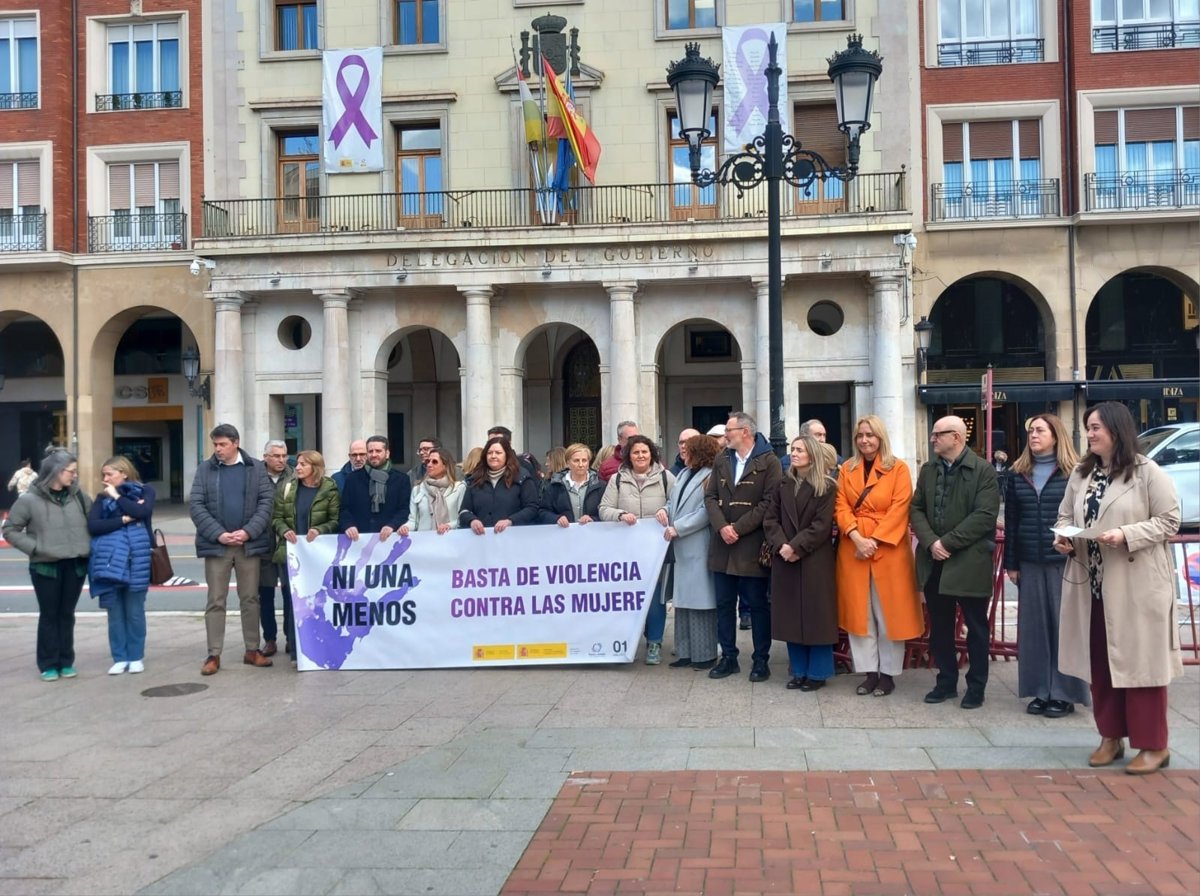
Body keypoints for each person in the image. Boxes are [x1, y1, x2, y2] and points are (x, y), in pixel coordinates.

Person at [1054, 402, 1182, 775]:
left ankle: (1154, 745)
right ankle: (1110, 736)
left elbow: (1169, 521)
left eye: (1096, 427)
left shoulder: (1147, 472)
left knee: (1142, 667)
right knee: (1101, 664)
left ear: (1116, 429)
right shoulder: (1082, 473)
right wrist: (1063, 537)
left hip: (1137, 586)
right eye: (1088, 427)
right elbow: (1065, 515)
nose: (1089, 434)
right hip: (1093, 586)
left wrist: (1125, 534)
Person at [911, 415, 1001, 710]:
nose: (933, 439)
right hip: (934, 561)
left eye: (938, 434)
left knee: (976, 627)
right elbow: (916, 508)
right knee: (940, 626)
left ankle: (976, 687)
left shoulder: (983, 471)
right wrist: (930, 542)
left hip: (970, 562)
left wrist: (946, 543)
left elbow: (984, 516)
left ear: (957, 438)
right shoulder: (929, 469)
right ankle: (946, 682)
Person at [1004, 414, 1088, 718]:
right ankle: (1040, 690)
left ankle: (1064, 694)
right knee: (1034, 631)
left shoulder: (1075, 472)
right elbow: (1012, 521)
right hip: (1029, 561)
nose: (1033, 435)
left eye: (1040, 430)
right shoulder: (1017, 474)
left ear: (1056, 435)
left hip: (1064, 562)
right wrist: (1011, 563)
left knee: (1064, 629)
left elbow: (1083, 516)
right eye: (1030, 431)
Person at [834, 415, 923, 697]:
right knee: (859, 612)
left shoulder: (898, 468)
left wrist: (873, 540)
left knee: (888, 613)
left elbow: (900, 508)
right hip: (854, 547)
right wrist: (856, 537)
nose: (865, 440)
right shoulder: (847, 469)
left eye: (870, 435)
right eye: (860, 435)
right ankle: (869, 672)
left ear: (881, 437)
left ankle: (888, 674)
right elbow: (840, 506)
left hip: (888, 548)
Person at [189, 424, 276, 676]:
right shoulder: (205, 470)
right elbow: (196, 505)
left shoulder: (256, 468)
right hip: (218, 546)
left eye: (222, 444)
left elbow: (266, 503)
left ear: (235, 443)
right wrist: (219, 534)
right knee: (216, 600)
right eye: (215, 444)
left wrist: (248, 531)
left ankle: (252, 650)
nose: (218, 449)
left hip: (248, 545)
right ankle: (213, 654)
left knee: (250, 599)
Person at [704, 412, 782, 682]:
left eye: (729, 430)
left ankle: (761, 660)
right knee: (724, 604)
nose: (725, 435)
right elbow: (710, 496)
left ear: (745, 432)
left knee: (758, 605)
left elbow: (770, 502)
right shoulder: (722, 458)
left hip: (751, 544)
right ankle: (728, 657)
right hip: (722, 545)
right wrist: (721, 527)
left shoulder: (769, 461)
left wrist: (737, 528)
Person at [3, 451, 91, 681]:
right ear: (56, 471)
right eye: (71, 471)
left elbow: (94, 521)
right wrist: (36, 548)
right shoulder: (29, 500)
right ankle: (49, 663)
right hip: (45, 566)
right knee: (49, 615)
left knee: (67, 614)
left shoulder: (79, 496)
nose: (74, 475)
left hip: (75, 564)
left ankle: (66, 661)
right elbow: (10, 529)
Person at [765, 435, 838, 692]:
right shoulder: (782, 484)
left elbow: (821, 525)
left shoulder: (826, 486)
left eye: (800, 450)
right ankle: (798, 671)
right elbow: (770, 519)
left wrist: (796, 547)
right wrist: (783, 546)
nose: (794, 454)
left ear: (812, 455)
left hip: (814, 559)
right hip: (785, 557)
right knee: (790, 616)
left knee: (817, 617)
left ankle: (818, 673)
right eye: (793, 449)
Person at [599, 435, 675, 664]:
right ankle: (628, 640)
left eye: (644, 452)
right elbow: (604, 508)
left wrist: (665, 510)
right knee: (629, 596)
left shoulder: (665, 477)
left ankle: (654, 642)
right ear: (628, 456)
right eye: (636, 452)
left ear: (652, 454)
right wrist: (620, 515)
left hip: (656, 550)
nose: (641, 456)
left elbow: (677, 503)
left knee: (655, 597)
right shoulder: (617, 480)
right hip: (626, 551)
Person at [86, 456, 155, 675]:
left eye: (109, 474)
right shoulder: (100, 498)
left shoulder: (145, 491)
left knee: (135, 612)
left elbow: (142, 513)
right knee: (114, 613)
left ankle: (135, 656)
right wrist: (123, 520)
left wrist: (117, 497)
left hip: (137, 560)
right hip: (109, 563)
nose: (105, 479)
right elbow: (94, 526)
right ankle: (119, 657)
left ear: (124, 473)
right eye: (103, 475)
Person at [271, 450, 341, 660]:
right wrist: (284, 530)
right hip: (291, 554)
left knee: (318, 600)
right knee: (294, 601)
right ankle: (296, 651)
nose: (298, 467)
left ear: (315, 467)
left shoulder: (329, 489)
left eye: (303, 464)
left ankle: (321, 646)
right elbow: (276, 518)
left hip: (317, 555)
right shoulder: (288, 488)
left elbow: (335, 520)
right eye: (298, 464)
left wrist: (320, 530)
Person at [663, 433, 721, 669]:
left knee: (700, 602)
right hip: (680, 545)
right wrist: (664, 510)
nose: (684, 451)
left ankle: (705, 655)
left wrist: (679, 527)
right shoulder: (684, 474)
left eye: (689, 448)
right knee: (683, 602)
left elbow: (706, 512)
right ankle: (685, 652)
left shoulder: (711, 476)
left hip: (697, 543)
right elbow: (672, 501)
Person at [258, 440, 295, 658]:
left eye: (284, 456)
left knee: (289, 593)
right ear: (266, 457)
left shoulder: (294, 476)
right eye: (276, 456)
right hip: (263, 542)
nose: (282, 460)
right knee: (265, 594)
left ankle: (291, 638)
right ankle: (270, 639)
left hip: (286, 543)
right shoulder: (255, 476)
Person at [459, 437, 540, 533]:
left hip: (514, 536)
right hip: (481, 538)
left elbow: (532, 507)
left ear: (507, 455)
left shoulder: (522, 477)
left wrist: (510, 521)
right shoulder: (475, 479)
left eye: (498, 453)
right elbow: (464, 510)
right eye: (489, 453)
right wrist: (472, 520)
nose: (493, 456)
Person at [340, 435, 411, 541]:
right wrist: (348, 525)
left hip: (390, 538)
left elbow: (404, 509)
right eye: (370, 451)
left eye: (378, 451)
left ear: (387, 453)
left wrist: (392, 525)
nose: (374, 455)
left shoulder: (401, 479)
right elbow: (344, 509)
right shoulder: (352, 479)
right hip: (359, 539)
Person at [400, 448, 465, 535]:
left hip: (450, 539)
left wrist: (449, 525)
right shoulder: (417, 489)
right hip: (425, 539)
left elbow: (462, 517)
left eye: (434, 462)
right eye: (428, 461)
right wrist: (405, 527)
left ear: (445, 465)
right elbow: (413, 521)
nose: (429, 465)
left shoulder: (459, 488)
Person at [538, 443, 604, 527]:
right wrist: (556, 518)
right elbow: (543, 512)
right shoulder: (555, 485)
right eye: (576, 461)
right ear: (568, 463)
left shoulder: (600, 485)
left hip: (592, 532)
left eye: (584, 460)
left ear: (588, 463)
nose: (581, 465)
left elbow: (605, 511)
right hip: (563, 532)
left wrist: (593, 519)